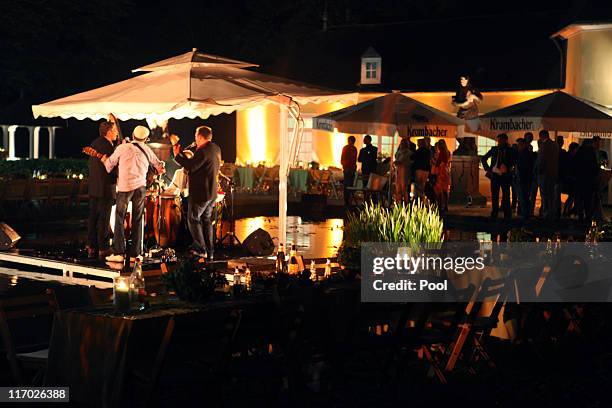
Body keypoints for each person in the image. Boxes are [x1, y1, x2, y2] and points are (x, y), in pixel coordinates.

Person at [102, 125, 165, 263]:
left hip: (125, 187)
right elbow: (159, 166)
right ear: (146, 139)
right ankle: (135, 254)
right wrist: (160, 168)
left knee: (119, 218)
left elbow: (108, 166)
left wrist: (104, 160)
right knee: (138, 219)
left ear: (133, 135)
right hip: (140, 188)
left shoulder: (122, 148)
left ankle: (119, 252)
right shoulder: (147, 149)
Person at [173, 126, 222, 261]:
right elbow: (197, 165)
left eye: (196, 136)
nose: (195, 138)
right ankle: (210, 251)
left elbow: (191, 167)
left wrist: (177, 155)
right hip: (211, 193)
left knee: (193, 219)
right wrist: (182, 156)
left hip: (201, 193)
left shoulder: (202, 151)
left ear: (200, 137)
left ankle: (200, 249)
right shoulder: (216, 149)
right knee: (206, 221)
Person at [86, 121, 118, 258]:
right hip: (106, 187)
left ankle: (91, 245)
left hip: (94, 187)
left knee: (93, 217)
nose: (117, 133)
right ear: (109, 132)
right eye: (115, 130)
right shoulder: (109, 147)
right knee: (104, 218)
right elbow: (111, 167)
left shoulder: (94, 143)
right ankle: (103, 248)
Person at [481, 133, 515, 220]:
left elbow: (514, 161)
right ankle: (494, 212)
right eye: (498, 140)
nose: (499, 142)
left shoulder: (510, 150)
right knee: (494, 195)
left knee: (506, 195)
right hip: (494, 175)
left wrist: (509, 168)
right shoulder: (494, 149)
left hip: (505, 175)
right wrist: (488, 169)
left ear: (505, 140)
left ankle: (507, 213)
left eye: (501, 140)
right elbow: (484, 158)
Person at [535, 130, 559, 220]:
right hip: (553, 173)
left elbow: (540, 160)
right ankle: (552, 213)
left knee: (544, 195)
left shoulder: (544, 146)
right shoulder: (555, 145)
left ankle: (546, 213)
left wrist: (538, 171)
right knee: (551, 195)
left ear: (542, 136)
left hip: (544, 174)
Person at [574, 139, 599, 222]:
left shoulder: (579, 152)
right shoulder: (591, 153)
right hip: (589, 180)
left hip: (580, 179)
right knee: (588, 199)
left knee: (580, 198)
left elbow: (575, 164)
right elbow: (595, 167)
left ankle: (580, 215)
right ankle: (588, 216)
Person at [515, 138, 535, 219]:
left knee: (523, 197)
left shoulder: (524, 154)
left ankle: (525, 215)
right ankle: (525, 214)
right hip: (524, 179)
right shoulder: (525, 153)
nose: (518, 146)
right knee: (524, 197)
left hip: (523, 179)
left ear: (523, 145)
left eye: (519, 145)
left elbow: (524, 167)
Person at [432, 139, 451, 213]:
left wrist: (433, 161)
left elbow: (438, 163)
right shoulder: (448, 152)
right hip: (446, 172)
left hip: (441, 172)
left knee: (439, 190)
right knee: (445, 190)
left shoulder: (441, 153)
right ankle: (445, 205)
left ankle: (440, 206)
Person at [562, 142, 580, 217]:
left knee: (572, 196)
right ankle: (566, 211)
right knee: (572, 196)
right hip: (569, 180)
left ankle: (566, 211)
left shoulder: (567, 156)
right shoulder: (570, 157)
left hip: (569, 179)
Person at [393, 137, 413, 203]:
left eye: (403, 143)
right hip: (398, 170)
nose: (402, 145)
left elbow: (410, 162)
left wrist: (402, 162)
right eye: (401, 143)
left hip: (405, 171)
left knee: (404, 188)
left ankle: (406, 202)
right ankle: (398, 202)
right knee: (398, 187)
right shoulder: (398, 152)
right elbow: (396, 158)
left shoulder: (409, 153)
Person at [341, 135, 358, 206]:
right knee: (347, 184)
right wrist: (345, 165)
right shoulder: (348, 148)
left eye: (350, 140)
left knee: (350, 184)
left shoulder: (353, 148)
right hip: (348, 169)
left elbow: (354, 159)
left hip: (351, 169)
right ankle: (346, 199)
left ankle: (349, 199)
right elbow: (342, 158)